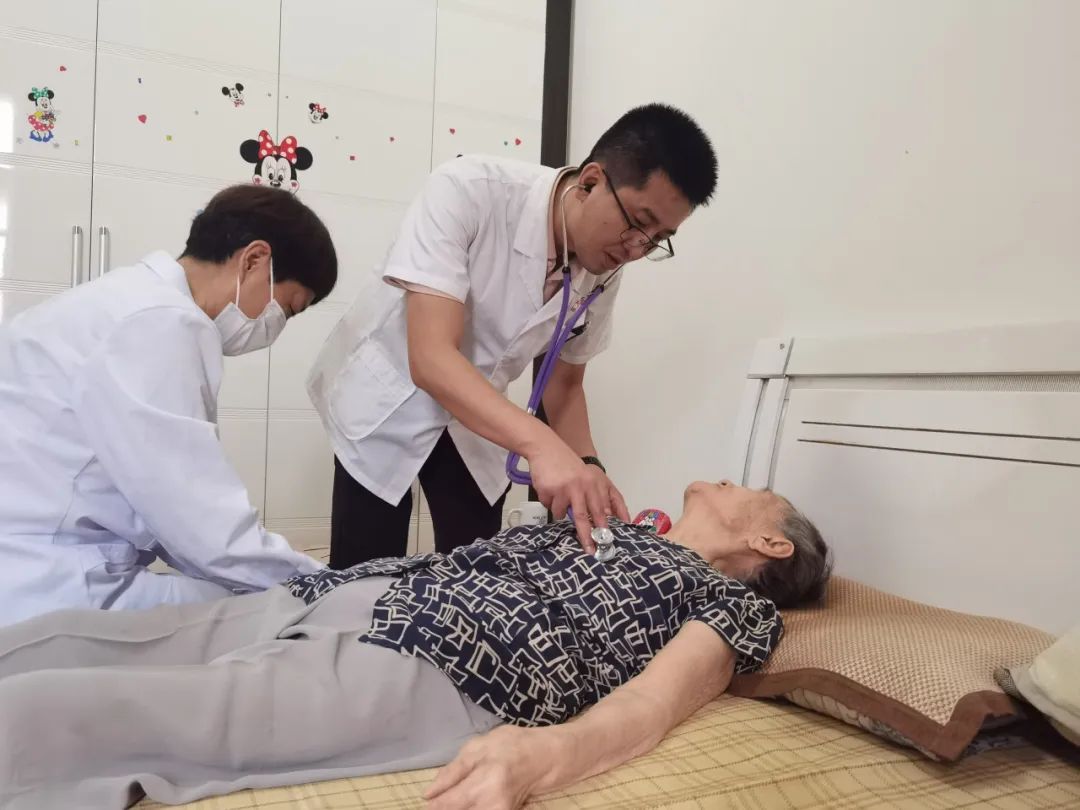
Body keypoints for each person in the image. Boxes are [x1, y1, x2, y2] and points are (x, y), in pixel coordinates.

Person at [0, 479, 831, 809]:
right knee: (68, 639)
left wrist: (544, 757)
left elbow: (654, 702)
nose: (733, 479)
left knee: (79, 709)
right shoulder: (612, 527)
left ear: (771, 543)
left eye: (757, 490)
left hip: (446, 662)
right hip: (354, 593)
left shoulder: (728, 603)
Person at [309, 103, 720, 567]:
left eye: (658, 238)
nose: (638, 249)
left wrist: (588, 467)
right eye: (639, 222)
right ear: (590, 181)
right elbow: (431, 358)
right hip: (394, 394)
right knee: (364, 573)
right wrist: (542, 445)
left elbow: (564, 386)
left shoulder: (604, 264)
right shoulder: (468, 190)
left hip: (479, 413)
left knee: (480, 568)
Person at [0, 185, 338, 627]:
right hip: (46, 582)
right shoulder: (159, 323)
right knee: (284, 616)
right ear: (253, 260)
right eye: (287, 309)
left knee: (249, 593)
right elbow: (206, 532)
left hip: (37, 561)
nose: (277, 326)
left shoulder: (126, 299)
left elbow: (179, 519)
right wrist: (327, 585)